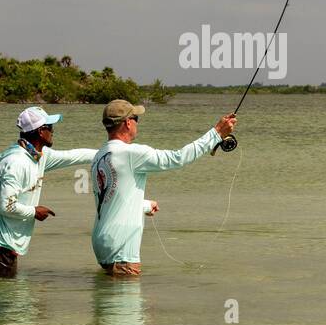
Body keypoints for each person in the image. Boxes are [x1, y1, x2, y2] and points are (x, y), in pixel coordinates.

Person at [90, 99, 236, 277]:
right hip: (122, 249)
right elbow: (177, 158)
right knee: (126, 302)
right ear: (128, 123)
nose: (137, 123)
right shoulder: (131, 153)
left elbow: (110, 200)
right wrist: (216, 133)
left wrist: (144, 206)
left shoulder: (99, 155)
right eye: (136, 118)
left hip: (101, 244)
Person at [0, 106, 97, 276]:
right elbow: (5, 206)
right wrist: (34, 211)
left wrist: (110, 152)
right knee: (5, 300)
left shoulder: (39, 156)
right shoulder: (16, 162)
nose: (53, 131)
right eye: (50, 127)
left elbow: (73, 156)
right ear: (41, 132)